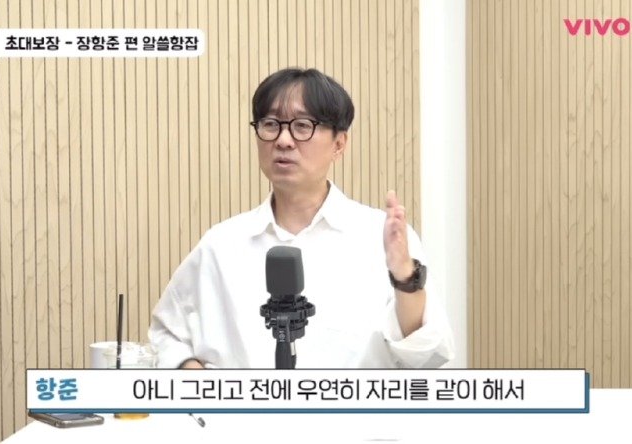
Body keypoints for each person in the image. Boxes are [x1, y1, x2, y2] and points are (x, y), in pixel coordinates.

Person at [148, 68, 454, 369]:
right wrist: (195, 376)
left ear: (339, 144)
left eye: (302, 125)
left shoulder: (379, 236)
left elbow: (429, 355)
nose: (283, 140)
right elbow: (167, 333)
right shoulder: (222, 243)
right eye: (271, 124)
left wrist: (404, 279)